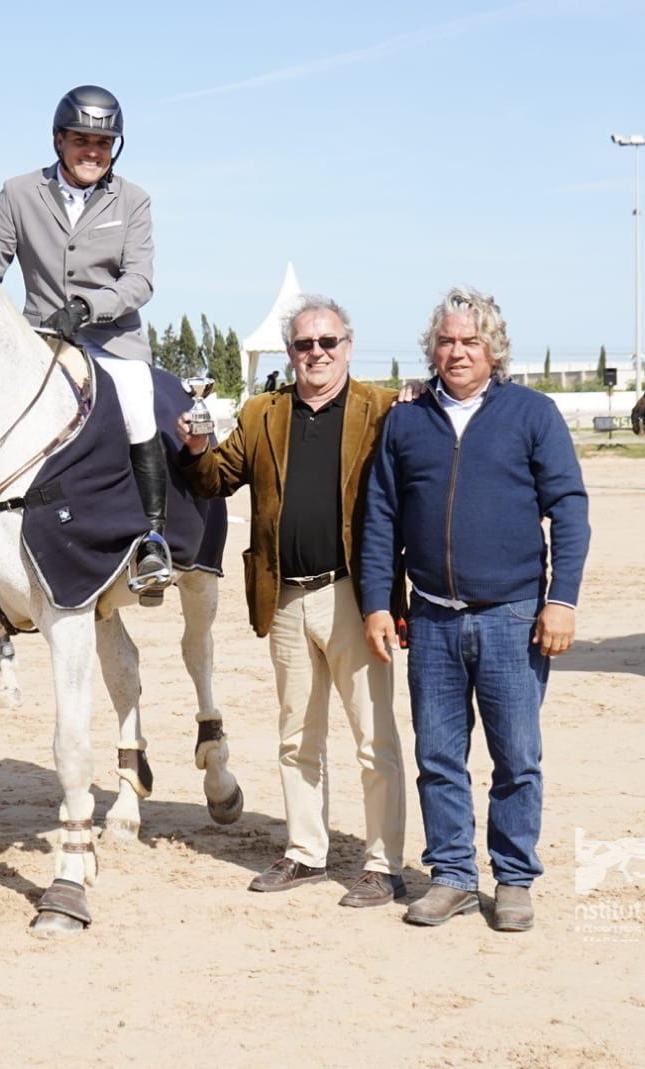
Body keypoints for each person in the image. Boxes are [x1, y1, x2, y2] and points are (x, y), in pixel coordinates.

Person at [358, 287, 589, 932]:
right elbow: (380, 515)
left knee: (517, 759)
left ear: (494, 350)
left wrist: (561, 601)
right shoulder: (405, 419)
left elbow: (569, 509)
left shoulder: (532, 413)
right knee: (438, 756)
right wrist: (380, 601)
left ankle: (514, 878)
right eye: (447, 341)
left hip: (513, 617)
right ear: (431, 349)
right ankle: (454, 876)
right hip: (430, 619)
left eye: (471, 341)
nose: (457, 352)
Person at [176, 295, 408, 908]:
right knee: (296, 737)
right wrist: (195, 448)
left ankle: (383, 865)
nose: (317, 354)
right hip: (284, 597)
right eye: (306, 345)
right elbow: (212, 480)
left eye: (328, 343)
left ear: (348, 348)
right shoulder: (262, 413)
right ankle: (305, 853)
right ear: (291, 353)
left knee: (373, 738)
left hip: (355, 597)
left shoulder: (381, 408)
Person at [0, 85, 170, 594]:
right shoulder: (18, 193)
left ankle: (151, 538)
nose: (93, 151)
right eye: (82, 140)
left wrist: (89, 307)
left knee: (135, 406)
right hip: (40, 340)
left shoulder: (133, 200)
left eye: (104, 143)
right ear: (59, 139)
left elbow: (140, 280)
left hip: (113, 340)